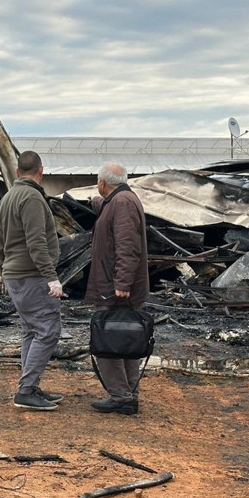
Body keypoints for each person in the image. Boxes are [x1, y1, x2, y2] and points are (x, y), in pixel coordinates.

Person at [0, 150, 65, 411]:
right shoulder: (32, 198)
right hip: (31, 275)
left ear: (17, 172)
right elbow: (36, 243)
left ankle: (30, 386)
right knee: (48, 330)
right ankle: (25, 391)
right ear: (41, 171)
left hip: (16, 275)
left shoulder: (8, 197)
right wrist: (52, 278)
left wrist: (3, 269)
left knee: (31, 330)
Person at [85, 162, 149, 415]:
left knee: (108, 341)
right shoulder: (121, 200)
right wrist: (99, 204)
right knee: (127, 339)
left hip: (115, 289)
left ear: (103, 182)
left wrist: (122, 282)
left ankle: (121, 396)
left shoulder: (121, 203)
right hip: (119, 286)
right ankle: (128, 394)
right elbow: (116, 224)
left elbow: (126, 244)